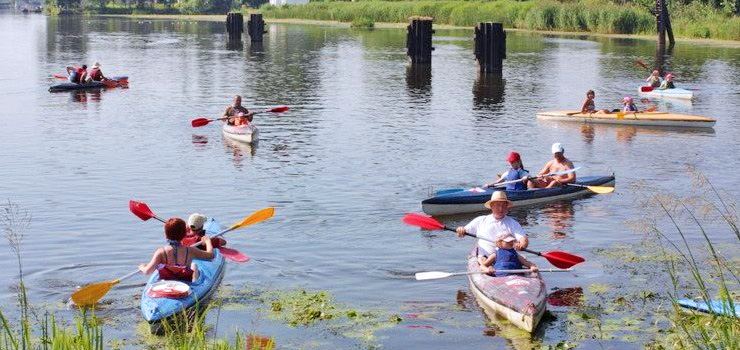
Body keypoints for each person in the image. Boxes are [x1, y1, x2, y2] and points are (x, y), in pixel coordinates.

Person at [455, 191, 530, 268]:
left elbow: (523, 239)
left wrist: (521, 245)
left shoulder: (513, 223)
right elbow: (461, 234)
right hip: (486, 259)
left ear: (507, 207)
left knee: (521, 259)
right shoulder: (480, 220)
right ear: (491, 206)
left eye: (503, 206)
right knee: (484, 263)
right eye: (498, 205)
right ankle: (487, 269)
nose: (501, 209)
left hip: (507, 258)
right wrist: (460, 230)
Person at [138, 217, 214, 282]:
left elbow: (147, 271)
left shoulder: (161, 252)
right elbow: (210, 255)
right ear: (184, 234)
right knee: (194, 266)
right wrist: (208, 242)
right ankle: (195, 281)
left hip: (166, 283)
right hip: (185, 284)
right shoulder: (191, 250)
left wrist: (142, 267)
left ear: (165, 235)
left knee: (193, 265)